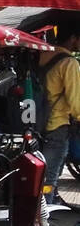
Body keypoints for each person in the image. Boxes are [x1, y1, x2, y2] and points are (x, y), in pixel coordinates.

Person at [40, 21, 80, 197]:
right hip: (57, 125)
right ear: (73, 39)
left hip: (36, 124)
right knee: (49, 179)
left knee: (39, 175)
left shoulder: (42, 55)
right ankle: (44, 218)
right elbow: (76, 102)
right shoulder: (69, 63)